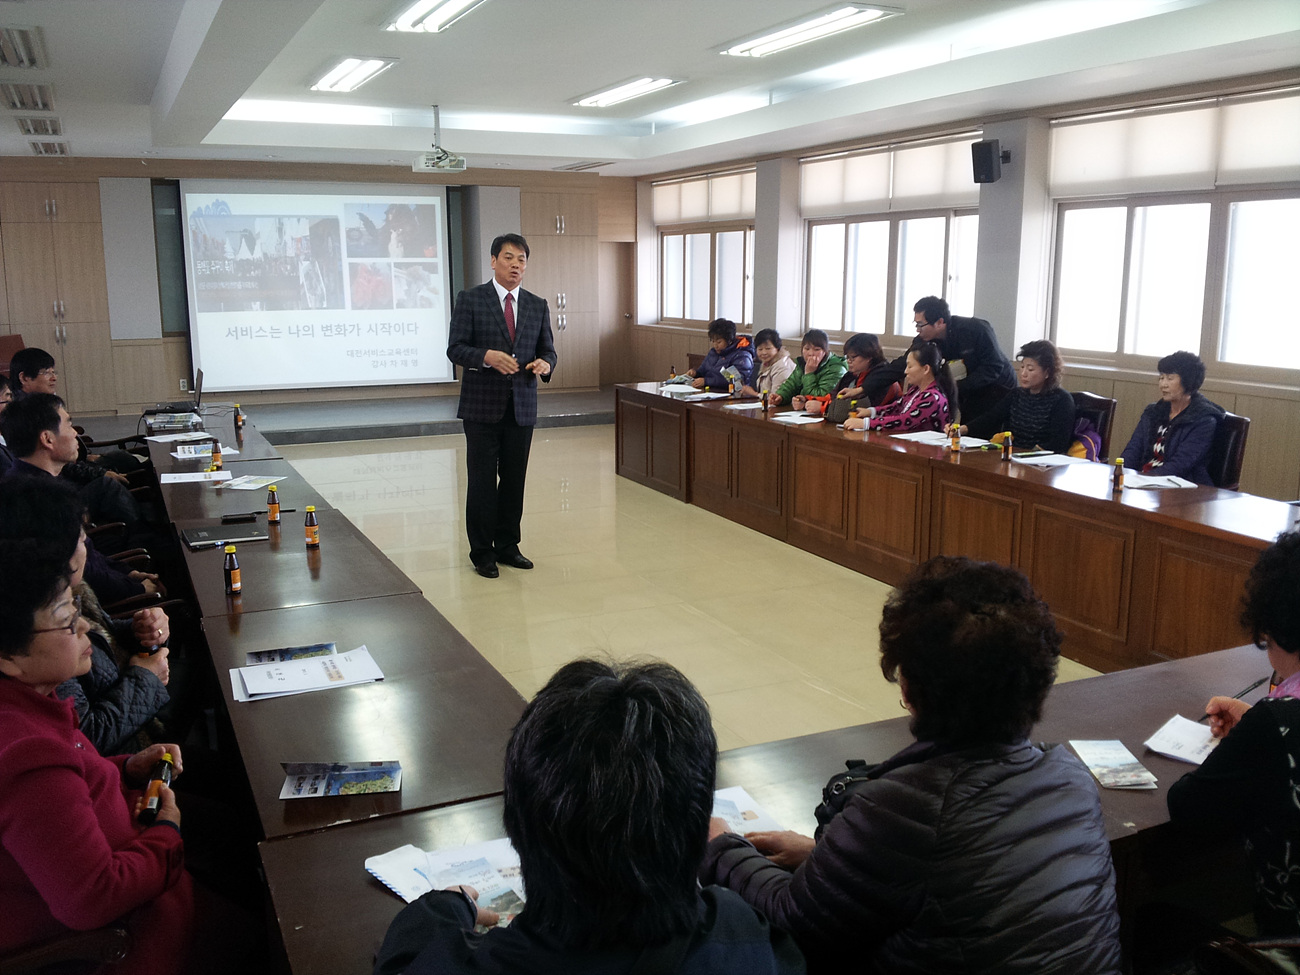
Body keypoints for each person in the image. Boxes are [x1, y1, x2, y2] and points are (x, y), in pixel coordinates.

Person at [701, 557, 1122, 974]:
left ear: (909, 687)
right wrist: (827, 859)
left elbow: (792, 920)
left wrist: (721, 847)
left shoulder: (902, 807)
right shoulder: (1071, 779)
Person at [374, 660, 806, 974]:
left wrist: (448, 903)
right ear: (696, 835)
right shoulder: (743, 935)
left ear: (519, 830)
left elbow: (404, 956)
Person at [0, 531, 194, 973]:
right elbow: (93, 898)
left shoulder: (32, 704)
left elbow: (68, 783)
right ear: (9, 655)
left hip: (136, 865)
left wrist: (126, 767)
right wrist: (167, 834)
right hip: (124, 941)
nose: (85, 626)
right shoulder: (26, 754)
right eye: (68, 620)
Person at [1167, 531, 1300, 938]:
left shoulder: (1277, 725)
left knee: (1157, 926)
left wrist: (1259, 732)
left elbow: (1188, 807)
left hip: (1285, 940)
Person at [0, 478, 172, 754]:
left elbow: (101, 632)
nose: (87, 547)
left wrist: (140, 628)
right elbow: (87, 737)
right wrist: (146, 678)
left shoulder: (65, 594)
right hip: (133, 736)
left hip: (133, 721)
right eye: (82, 539)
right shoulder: (40, 640)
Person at [446, 233, 557, 579]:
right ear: (493, 261)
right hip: (481, 409)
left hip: (521, 408)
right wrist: (486, 357)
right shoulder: (471, 299)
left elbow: (548, 350)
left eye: (521, 259)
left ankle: (508, 546)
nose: (515, 265)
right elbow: (455, 348)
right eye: (508, 258)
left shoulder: (537, 304)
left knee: (514, 482)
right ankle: (482, 553)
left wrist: (545, 365)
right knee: (481, 482)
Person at [1, 393, 159, 604]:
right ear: (47, 439)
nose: (75, 433)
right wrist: (137, 588)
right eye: (69, 425)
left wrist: (128, 573)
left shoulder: (32, 483)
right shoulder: (39, 501)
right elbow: (84, 575)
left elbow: (90, 554)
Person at [1118, 350, 1225, 485]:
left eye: (1170, 378)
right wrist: (1121, 473)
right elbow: (1133, 449)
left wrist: (1144, 480)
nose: (1163, 384)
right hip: (1143, 481)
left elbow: (1181, 464)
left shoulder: (1204, 419)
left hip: (1182, 487)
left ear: (1187, 380)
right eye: (1161, 377)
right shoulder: (1153, 412)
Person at [906, 296, 1014, 421]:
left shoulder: (975, 330)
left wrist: (954, 387)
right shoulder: (925, 338)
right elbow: (907, 363)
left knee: (979, 430)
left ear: (939, 323)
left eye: (920, 325)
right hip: (966, 390)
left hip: (997, 387)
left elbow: (993, 367)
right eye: (916, 324)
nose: (917, 330)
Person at [962, 339, 1076, 453]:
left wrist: (1026, 455)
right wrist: (963, 429)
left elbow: (1058, 444)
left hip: (1041, 462)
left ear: (1047, 372)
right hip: (1013, 456)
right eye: (1022, 367)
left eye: (1030, 369)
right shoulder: (1016, 394)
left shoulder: (1062, 400)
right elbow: (991, 417)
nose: (1023, 373)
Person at [843, 341, 955, 433]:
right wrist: (871, 412)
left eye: (910, 366)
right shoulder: (916, 390)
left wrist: (866, 423)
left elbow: (905, 420)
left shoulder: (932, 397)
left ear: (926, 369)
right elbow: (896, 407)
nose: (905, 371)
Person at [813, 332, 902, 415]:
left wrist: (823, 408)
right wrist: (807, 400)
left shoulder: (883, 381)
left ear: (869, 357)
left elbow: (859, 410)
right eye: (847, 357)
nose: (848, 361)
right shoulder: (852, 375)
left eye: (853, 358)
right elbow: (833, 397)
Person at [769, 330, 846, 411]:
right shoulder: (802, 363)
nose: (811, 353)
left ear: (825, 351)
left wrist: (809, 373)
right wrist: (780, 396)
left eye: (816, 349)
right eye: (807, 349)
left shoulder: (836, 368)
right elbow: (791, 384)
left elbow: (820, 398)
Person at [687, 318, 754, 392]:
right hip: (711, 392)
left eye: (719, 342)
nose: (715, 345)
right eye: (713, 341)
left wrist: (706, 381)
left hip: (734, 396)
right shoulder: (713, 353)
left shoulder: (742, 356)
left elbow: (737, 382)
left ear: (729, 340)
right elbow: (702, 371)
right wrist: (695, 373)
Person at [740, 328, 796, 399]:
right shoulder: (766, 363)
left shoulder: (783, 366)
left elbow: (776, 398)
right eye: (760, 349)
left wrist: (754, 394)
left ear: (777, 348)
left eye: (768, 349)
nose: (764, 353)